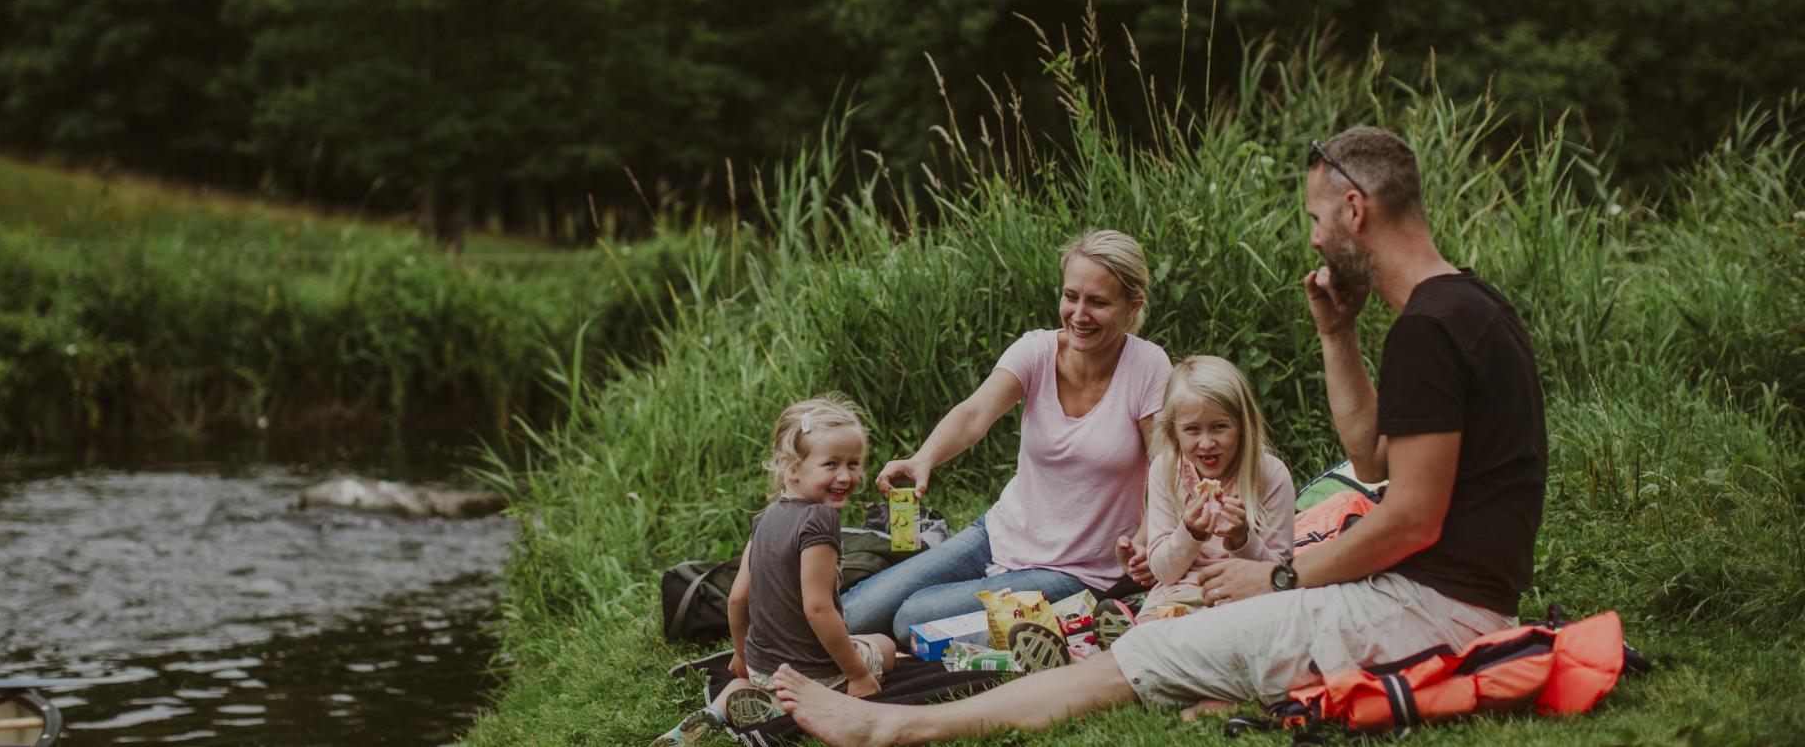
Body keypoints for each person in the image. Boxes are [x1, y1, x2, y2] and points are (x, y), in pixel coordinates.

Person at [772, 126, 1546, 745]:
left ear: (1354, 209)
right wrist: (1338, 338)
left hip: (1424, 609)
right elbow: (1375, 459)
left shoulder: (1428, 330)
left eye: (1315, 218)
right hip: (1444, 599)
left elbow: (1411, 516)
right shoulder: (1470, 307)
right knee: (1147, 645)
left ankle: (891, 725)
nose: (1313, 240)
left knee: (1133, 659)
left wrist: (1279, 577)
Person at [839, 231, 1172, 643]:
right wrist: (923, 458)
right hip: (999, 534)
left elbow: (1166, 463)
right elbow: (975, 413)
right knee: (856, 614)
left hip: (1078, 570)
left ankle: (1069, 617)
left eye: (1098, 302)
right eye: (1072, 296)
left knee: (912, 621)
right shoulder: (1036, 350)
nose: (1079, 314)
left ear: (1132, 306)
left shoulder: (1148, 366)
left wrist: (1145, 537)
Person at [651, 396, 900, 746]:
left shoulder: (765, 518)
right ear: (791, 466)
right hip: (816, 673)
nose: (846, 476)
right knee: (885, 646)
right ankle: (791, 703)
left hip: (762, 667)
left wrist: (740, 655)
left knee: (748, 683)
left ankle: (718, 712)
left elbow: (738, 597)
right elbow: (818, 609)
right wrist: (857, 675)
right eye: (831, 464)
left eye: (854, 463)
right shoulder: (820, 520)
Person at [1135, 355, 1294, 621]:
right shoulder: (1165, 470)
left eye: (1220, 427)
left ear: (1243, 425)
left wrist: (1243, 539)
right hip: (1180, 593)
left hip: (1245, 592)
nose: (1207, 443)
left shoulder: (1271, 474)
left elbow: (1280, 574)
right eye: (1193, 430)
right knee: (1150, 631)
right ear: (1174, 431)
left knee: (1254, 624)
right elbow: (1164, 573)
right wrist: (1190, 532)